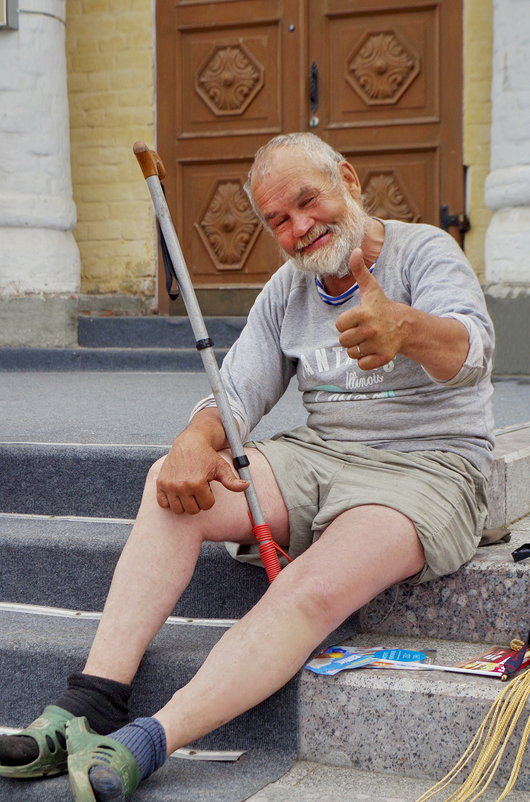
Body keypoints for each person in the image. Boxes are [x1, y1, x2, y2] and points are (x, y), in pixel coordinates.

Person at [0, 132, 494, 801]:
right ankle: (96, 697)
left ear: (347, 179)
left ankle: (152, 738)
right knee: (176, 487)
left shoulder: (425, 251)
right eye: (278, 221)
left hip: (431, 467)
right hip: (324, 454)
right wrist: (192, 439)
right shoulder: (290, 288)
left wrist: (406, 327)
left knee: (311, 587)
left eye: (307, 202)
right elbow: (235, 395)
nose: (299, 228)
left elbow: (472, 354)